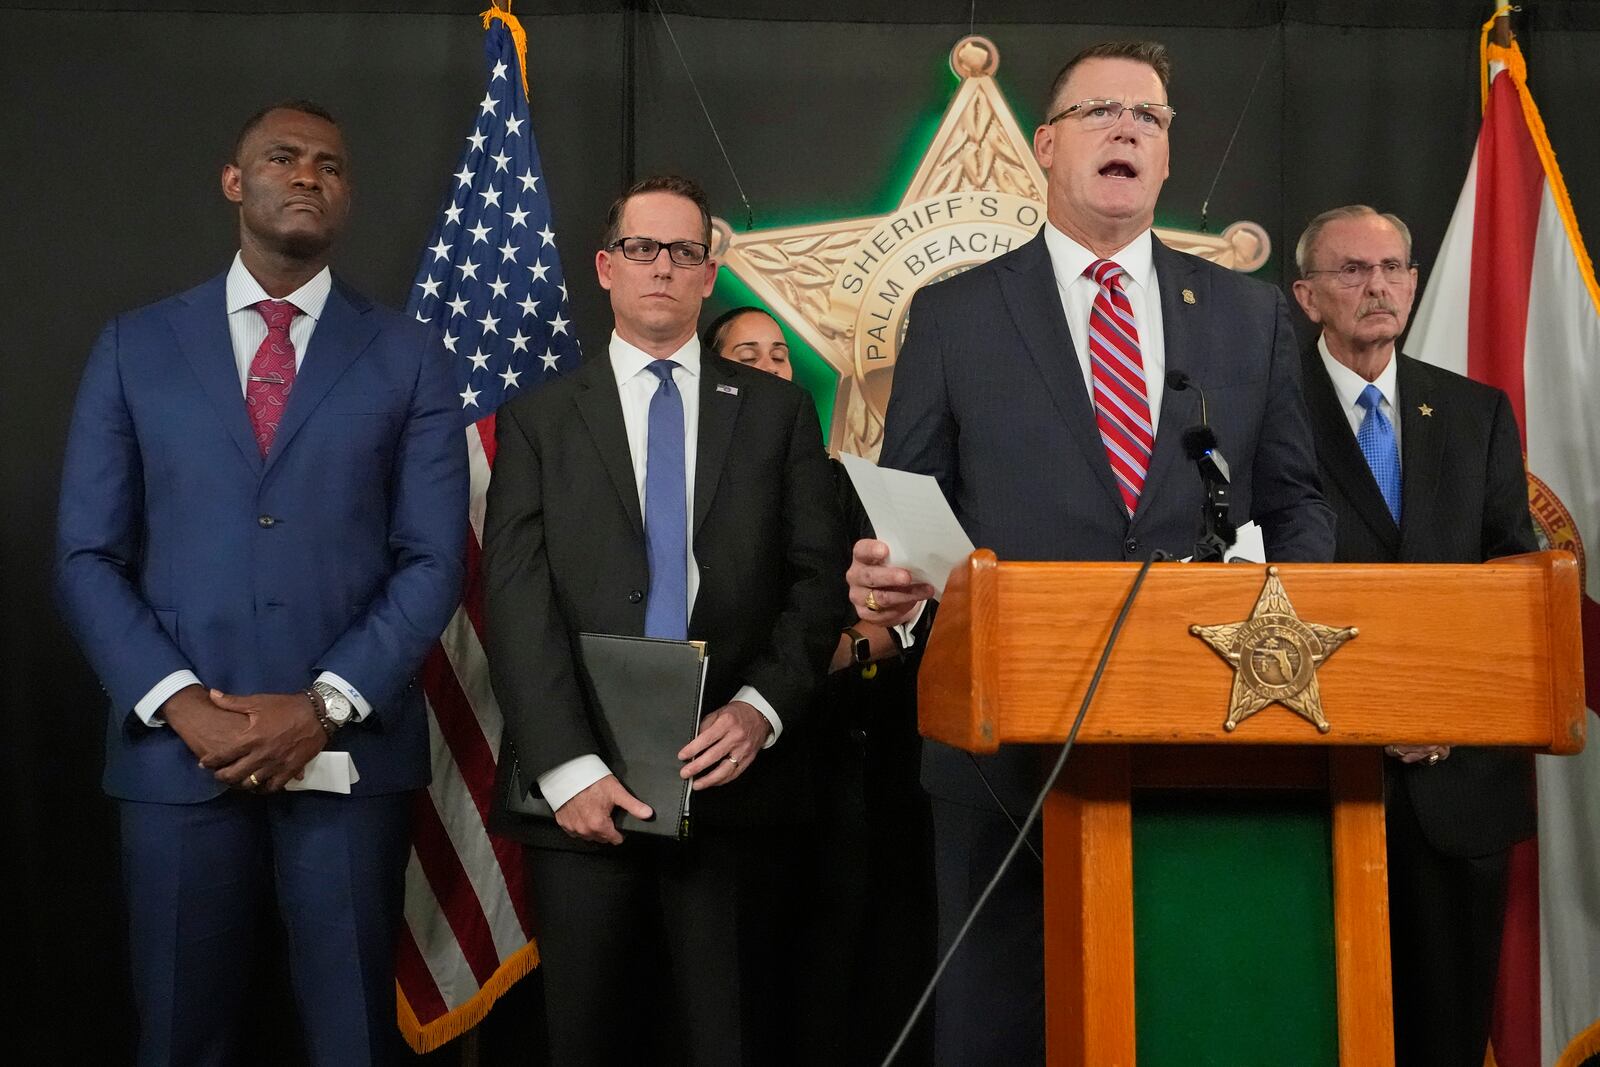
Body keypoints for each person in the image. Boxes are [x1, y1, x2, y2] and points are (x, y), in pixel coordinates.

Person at [846, 41, 1336, 1063]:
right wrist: (892, 579)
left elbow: (1294, 501)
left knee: (1180, 1005)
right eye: (1102, 110)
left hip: (1200, 726)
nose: (1127, 128)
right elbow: (912, 506)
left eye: (1149, 117)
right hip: (1001, 741)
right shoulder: (956, 313)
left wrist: (1281, 622)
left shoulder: (1248, 317)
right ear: (1046, 142)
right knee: (998, 1017)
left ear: (1164, 158)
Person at [55, 100, 468, 1066]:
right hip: (174, 762)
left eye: (330, 164)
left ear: (347, 194)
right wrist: (182, 705)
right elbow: (86, 554)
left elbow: (433, 559)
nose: (308, 176)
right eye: (283, 158)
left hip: (346, 760)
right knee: (178, 1035)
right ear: (235, 182)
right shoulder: (136, 346)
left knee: (353, 1036)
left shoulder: (408, 356)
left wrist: (323, 707)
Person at [482, 177, 846, 1066]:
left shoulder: (776, 412)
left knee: (729, 1038)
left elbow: (817, 583)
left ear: (708, 272)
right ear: (606, 267)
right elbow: (517, 598)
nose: (663, 267)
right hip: (579, 787)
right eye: (643, 249)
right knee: (590, 1040)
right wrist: (568, 768)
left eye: (685, 252)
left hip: (732, 783)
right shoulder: (536, 419)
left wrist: (759, 710)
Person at [1290, 204, 1536, 1067]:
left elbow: (1515, 583)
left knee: (1444, 1037)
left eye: (1394, 267)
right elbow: (1253, 591)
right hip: (1318, 784)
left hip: (1458, 781)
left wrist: (1443, 711)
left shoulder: (1476, 414)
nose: (1379, 286)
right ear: (1307, 294)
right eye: (1353, 270)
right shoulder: (1266, 415)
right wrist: (1367, 713)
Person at [705, 306, 936, 1065]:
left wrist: (808, 662)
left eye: (780, 352)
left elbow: (893, 624)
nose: (771, 365)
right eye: (748, 353)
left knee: (827, 984)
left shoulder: (847, 486)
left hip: (832, 764)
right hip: (707, 774)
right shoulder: (684, 481)